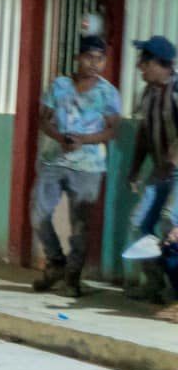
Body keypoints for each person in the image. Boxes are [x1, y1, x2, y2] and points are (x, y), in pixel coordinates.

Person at [30, 35, 122, 297]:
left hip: (88, 165)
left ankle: (72, 277)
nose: (94, 63)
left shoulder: (108, 93)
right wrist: (60, 138)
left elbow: (112, 130)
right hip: (54, 160)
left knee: (80, 224)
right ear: (77, 58)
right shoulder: (59, 86)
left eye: (99, 58)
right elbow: (43, 120)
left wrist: (84, 140)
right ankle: (55, 262)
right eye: (89, 57)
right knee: (38, 213)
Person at [125, 34, 178, 301]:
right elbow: (144, 134)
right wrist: (135, 169)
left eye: (144, 62)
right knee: (138, 224)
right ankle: (154, 283)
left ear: (160, 63)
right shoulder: (147, 93)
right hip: (159, 171)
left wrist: (172, 162)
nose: (139, 67)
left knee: (171, 225)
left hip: (175, 172)